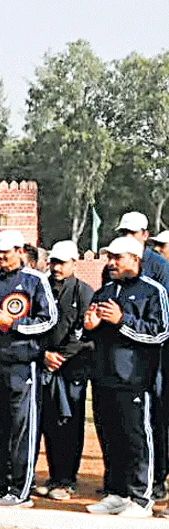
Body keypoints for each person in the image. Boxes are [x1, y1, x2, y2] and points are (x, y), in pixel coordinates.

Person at [84, 236, 168, 517]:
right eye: (109, 257)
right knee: (111, 437)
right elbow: (91, 332)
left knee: (137, 438)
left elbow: (160, 332)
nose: (111, 263)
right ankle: (116, 492)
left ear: (135, 259)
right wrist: (90, 326)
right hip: (104, 376)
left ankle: (141, 497)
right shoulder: (104, 290)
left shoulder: (153, 291)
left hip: (135, 378)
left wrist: (123, 321)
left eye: (117, 258)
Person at [0, 230, 57, 507]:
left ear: (20, 251)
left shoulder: (36, 280)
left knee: (23, 428)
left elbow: (49, 320)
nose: (0, 258)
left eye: (5, 253)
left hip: (24, 364)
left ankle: (20, 489)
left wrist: (13, 325)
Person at [31, 241, 94, 501]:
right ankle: (54, 476)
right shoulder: (40, 287)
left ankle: (67, 479)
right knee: (47, 422)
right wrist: (43, 355)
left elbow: (83, 331)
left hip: (72, 368)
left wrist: (61, 356)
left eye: (62, 263)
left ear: (73, 264)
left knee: (69, 423)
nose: (56, 267)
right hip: (45, 364)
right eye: (53, 262)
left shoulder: (83, 291)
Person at [114, 212, 169, 501]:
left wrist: (125, 320)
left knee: (152, 420)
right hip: (123, 357)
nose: (127, 235)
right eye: (124, 231)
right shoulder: (116, 265)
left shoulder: (157, 267)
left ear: (145, 235)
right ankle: (123, 486)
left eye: (132, 232)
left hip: (153, 354)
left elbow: (161, 314)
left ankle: (155, 480)